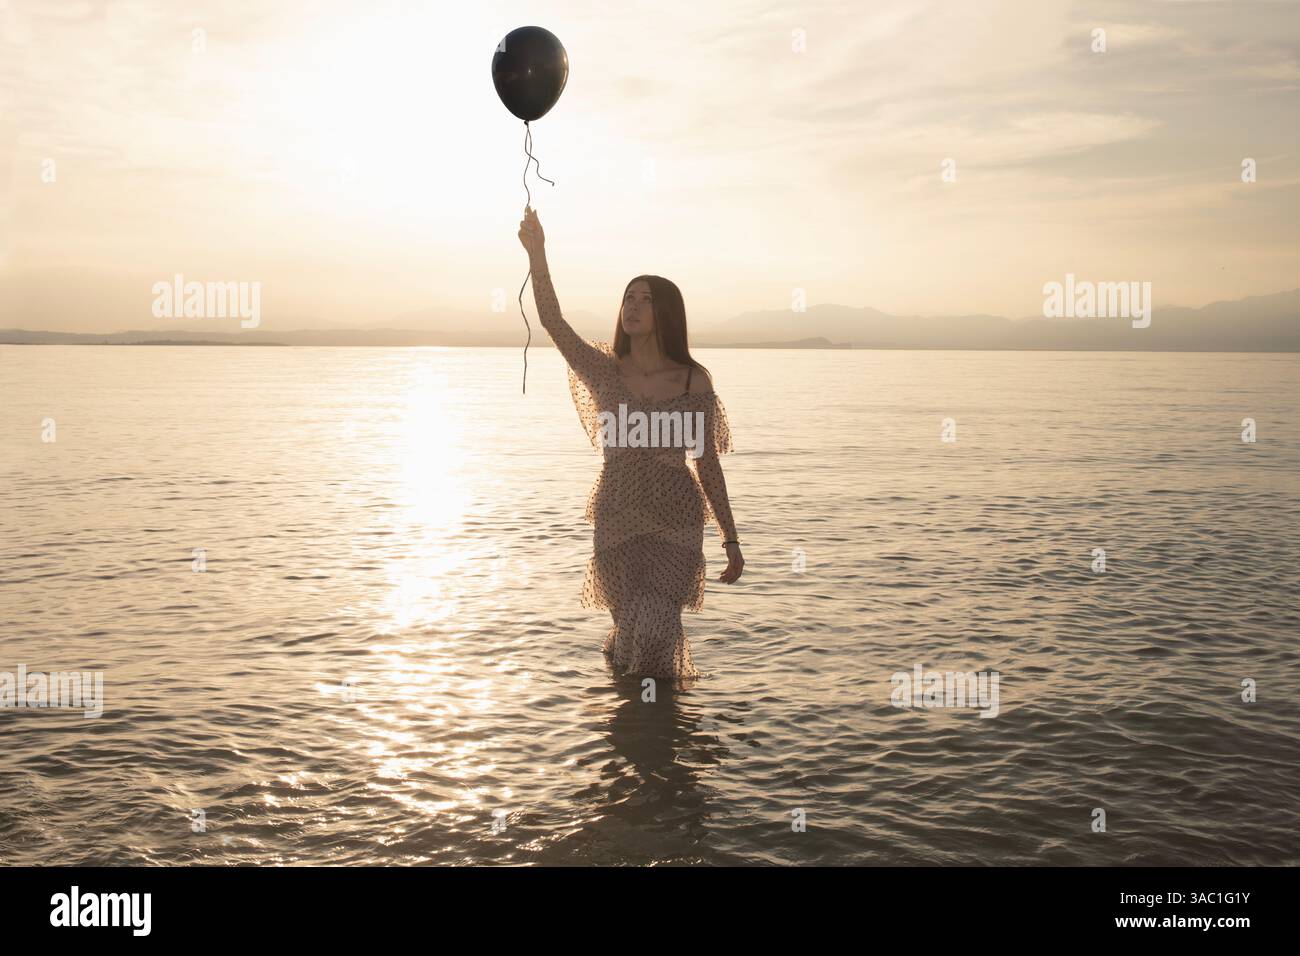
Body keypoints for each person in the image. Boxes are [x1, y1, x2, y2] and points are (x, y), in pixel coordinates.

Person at [517, 205, 744, 680]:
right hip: (617, 511)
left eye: (645, 299)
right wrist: (538, 253)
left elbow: (707, 463)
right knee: (632, 626)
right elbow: (553, 322)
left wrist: (731, 538)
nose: (633, 307)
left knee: (657, 629)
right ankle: (639, 720)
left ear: (667, 313)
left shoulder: (692, 380)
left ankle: (655, 730)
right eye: (628, 299)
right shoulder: (603, 369)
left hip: (675, 515)